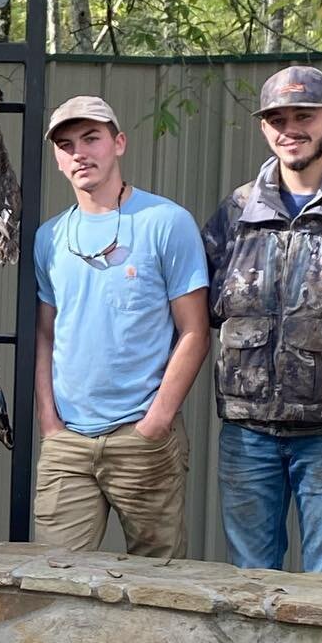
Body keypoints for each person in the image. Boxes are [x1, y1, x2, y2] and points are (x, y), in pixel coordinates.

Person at [203, 65, 322, 583]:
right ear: (265, 128)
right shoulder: (239, 210)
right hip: (247, 431)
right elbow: (199, 301)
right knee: (250, 583)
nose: (291, 128)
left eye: (304, 115)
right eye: (277, 118)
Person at [33, 95, 210, 557]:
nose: (80, 153)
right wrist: (49, 422)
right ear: (56, 157)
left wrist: (157, 421)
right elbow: (46, 334)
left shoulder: (165, 223)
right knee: (52, 581)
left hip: (141, 436)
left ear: (119, 143)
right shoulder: (49, 237)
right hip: (68, 442)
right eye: (66, 144)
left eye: (91, 138)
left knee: (156, 586)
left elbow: (194, 330)